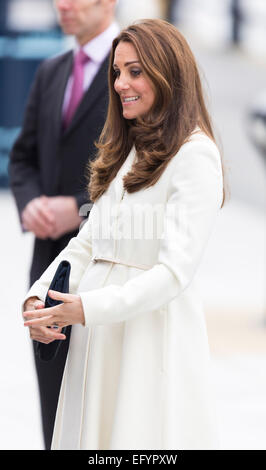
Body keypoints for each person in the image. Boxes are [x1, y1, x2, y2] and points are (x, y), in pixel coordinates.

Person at [22, 19, 225, 450]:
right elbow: (87, 244)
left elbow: (173, 272)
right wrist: (40, 298)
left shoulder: (195, 155)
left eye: (135, 71)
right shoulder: (131, 148)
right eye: (117, 71)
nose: (120, 83)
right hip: (98, 342)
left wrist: (86, 308)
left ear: (167, 73)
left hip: (146, 347)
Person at [9, 0, 119, 450]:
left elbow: (139, 169)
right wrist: (30, 200)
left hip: (106, 260)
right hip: (48, 260)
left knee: (100, 405)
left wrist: (79, 208)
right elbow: (23, 156)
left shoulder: (130, 72)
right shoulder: (52, 70)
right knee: (51, 396)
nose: (62, 5)